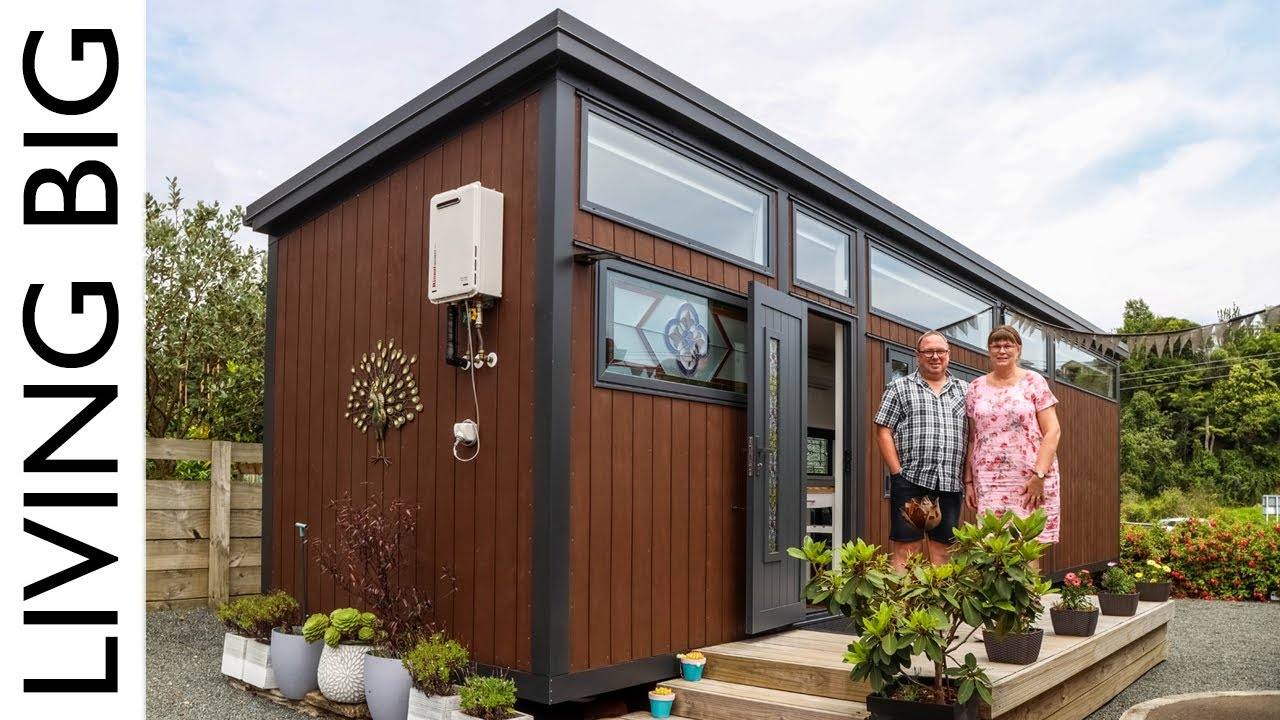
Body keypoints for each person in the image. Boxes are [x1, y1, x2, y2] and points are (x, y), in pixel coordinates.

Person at [964, 325, 1063, 556]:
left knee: (1027, 549)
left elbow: (1053, 431)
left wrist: (1039, 475)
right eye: (996, 345)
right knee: (993, 550)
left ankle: (1028, 594)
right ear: (989, 351)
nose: (1001, 350)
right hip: (989, 481)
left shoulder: (1034, 382)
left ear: (1018, 350)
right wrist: (968, 482)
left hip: (1030, 479)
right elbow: (972, 438)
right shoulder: (975, 387)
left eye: (1007, 345)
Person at [874, 330, 968, 568]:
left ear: (949, 355)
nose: (935, 356)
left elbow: (975, 435)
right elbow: (883, 430)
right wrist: (897, 474)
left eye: (940, 351)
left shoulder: (966, 391)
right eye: (928, 351)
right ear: (918, 355)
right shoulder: (899, 387)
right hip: (912, 482)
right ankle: (903, 606)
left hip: (949, 483)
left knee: (945, 552)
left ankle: (940, 605)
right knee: (907, 549)